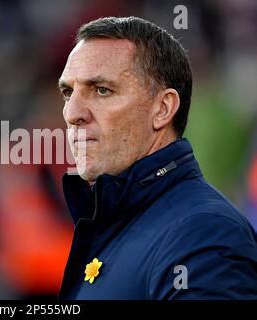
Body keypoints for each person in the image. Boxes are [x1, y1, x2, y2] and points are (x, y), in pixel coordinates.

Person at [57, 16, 257, 299]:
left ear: (163, 109)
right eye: (68, 92)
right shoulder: (119, 222)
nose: (72, 113)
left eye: (102, 90)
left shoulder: (204, 232)